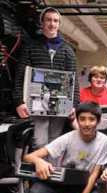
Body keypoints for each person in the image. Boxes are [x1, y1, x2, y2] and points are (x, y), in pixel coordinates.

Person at [23, 102, 107, 193]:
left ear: (98, 121)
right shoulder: (68, 138)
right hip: (63, 183)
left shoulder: (104, 141)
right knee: (37, 192)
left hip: (86, 185)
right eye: (82, 119)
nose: (86, 124)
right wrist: (38, 161)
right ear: (77, 120)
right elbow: (28, 157)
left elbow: (93, 176)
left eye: (91, 119)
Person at [13, 7, 79, 149]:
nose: (52, 24)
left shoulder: (68, 50)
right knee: (40, 141)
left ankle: (52, 170)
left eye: (55, 21)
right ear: (42, 22)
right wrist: (19, 101)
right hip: (37, 103)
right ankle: (40, 170)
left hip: (60, 105)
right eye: (48, 20)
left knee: (56, 142)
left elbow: (74, 81)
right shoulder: (31, 47)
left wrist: (74, 105)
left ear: (59, 24)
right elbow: (20, 76)